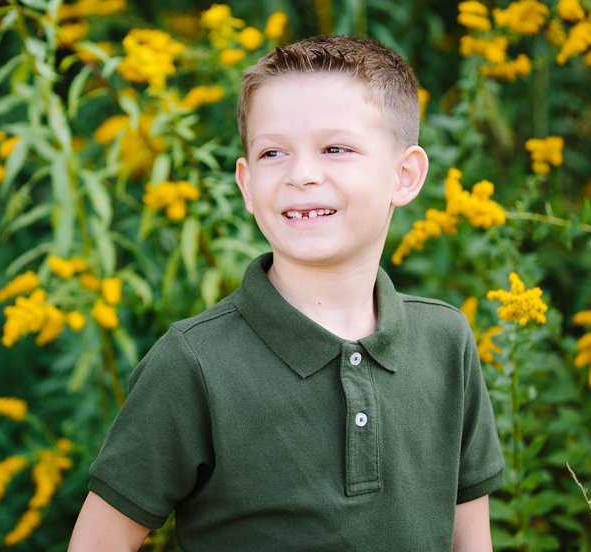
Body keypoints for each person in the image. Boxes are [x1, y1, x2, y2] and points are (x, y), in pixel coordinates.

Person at [70, 35, 504, 551]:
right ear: (247, 184)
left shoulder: (446, 342)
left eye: (335, 148)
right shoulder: (193, 364)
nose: (301, 175)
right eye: (273, 152)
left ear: (405, 176)